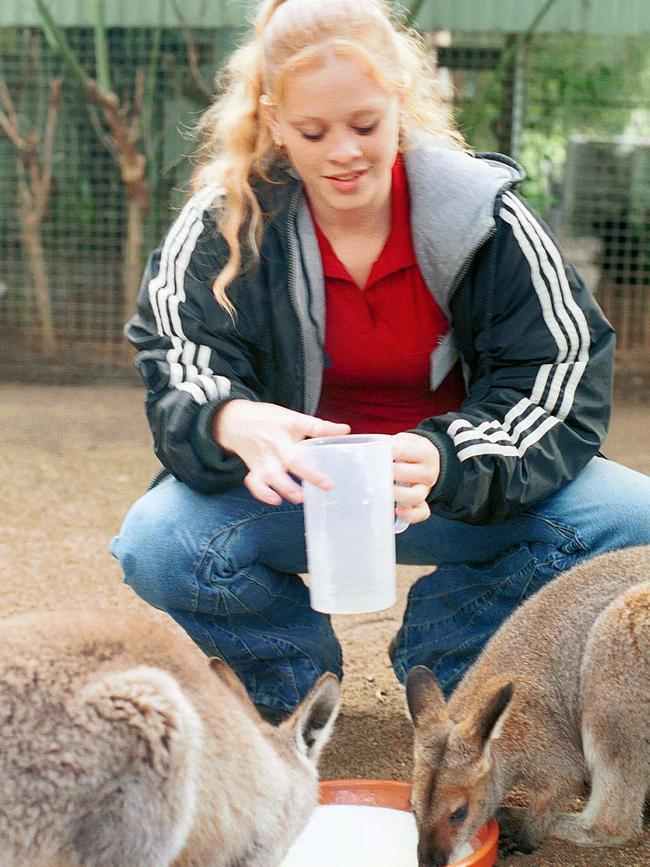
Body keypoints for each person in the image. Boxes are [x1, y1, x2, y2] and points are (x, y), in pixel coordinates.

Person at [111, 0, 650, 721]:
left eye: (365, 125)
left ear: (399, 104)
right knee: (160, 542)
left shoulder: (488, 218)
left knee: (631, 519)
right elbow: (176, 352)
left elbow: (564, 370)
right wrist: (229, 417)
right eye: (312, 130)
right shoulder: (225, 220)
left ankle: (452, 645)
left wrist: (449, 454)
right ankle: (291, 685)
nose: (344, 152)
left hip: (447, 487)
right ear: (273, 123)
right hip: (298, 494)